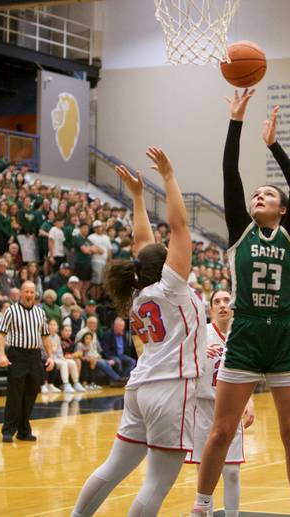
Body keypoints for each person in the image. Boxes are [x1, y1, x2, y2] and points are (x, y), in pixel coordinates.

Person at [193, 92, 290, 517]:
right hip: (244, 333)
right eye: (256, 194)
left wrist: (273, 145)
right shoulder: (240, 231)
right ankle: (201, 508)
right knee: (221, 430)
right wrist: (235, 121)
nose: (258, 196)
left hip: (283, 333)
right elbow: (230, 172)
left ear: (282, 209)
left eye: (268, 195)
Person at [73, 146, 200, 517]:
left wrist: (139, 197)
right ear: (168, 265)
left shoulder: (140, 289)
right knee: (157, 482)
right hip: (170, 386)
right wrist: (169, 177)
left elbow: (142, 244)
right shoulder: (172, 287)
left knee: (114, 467)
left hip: (140, 386)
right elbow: (179, 226)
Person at [186, 289, 255, 517]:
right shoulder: (200, 335)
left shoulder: (242, 336)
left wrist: (250, 399)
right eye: (217, 301)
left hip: (230, 408)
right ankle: (207, 513)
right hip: (202, 409)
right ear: (211, 309)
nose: (223, 305)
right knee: (206, 473)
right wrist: (194, 354)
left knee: (232, 472)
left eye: (227, 300)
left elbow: (246, 372)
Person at [0, 281, 54, 443]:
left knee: (30, 394)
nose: (29, 295)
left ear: (35, 294)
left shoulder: (39, 312)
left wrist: (50, 356)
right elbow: (1, 334)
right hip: (17, 355)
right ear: (21, 293)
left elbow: (45, 335)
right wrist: (2, 355)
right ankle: (8, 430)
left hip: (34, 356)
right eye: (26, 292)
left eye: (32, 292)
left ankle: (23, 430)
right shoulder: (11, 311)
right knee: (15, 394)